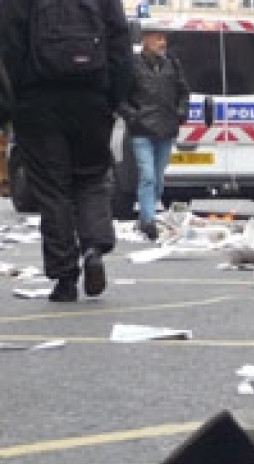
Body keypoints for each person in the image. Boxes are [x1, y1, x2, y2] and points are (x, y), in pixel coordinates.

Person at [0, 0, 132, 302]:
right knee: (92, 178)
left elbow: (8, 44)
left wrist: (12, 104)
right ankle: (94, 247)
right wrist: (115, 96)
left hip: (38, 101)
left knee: (52, 190)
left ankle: (65, 277)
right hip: (92, 97)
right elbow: (120, 41)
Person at [119, 28, 190, 241]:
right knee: (147, 176)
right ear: (146, 41)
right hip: (142, 130)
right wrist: (133, 116)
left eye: (164, 38)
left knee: (158, 179)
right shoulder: (132, 65)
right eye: (158, 38)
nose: (163, 42)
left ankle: (145, 216)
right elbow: (120, 97)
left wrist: (180, 113)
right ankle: (149, 221)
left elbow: (184, 92)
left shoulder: (172, 64)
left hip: (166, 129)